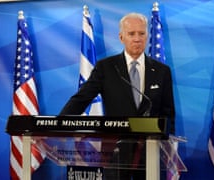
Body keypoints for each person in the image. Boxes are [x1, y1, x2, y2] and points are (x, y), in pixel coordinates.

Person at [60, 12, 175, 180]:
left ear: (147, 36)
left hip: (149, 150)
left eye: (141, 33)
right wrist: (60, 124)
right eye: (131, 34)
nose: (137, 38)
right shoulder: (106, 68)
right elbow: (81, 99)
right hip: (116, 151)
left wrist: (167, 145)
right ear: (121, 37)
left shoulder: (161, 71)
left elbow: (168, 112)